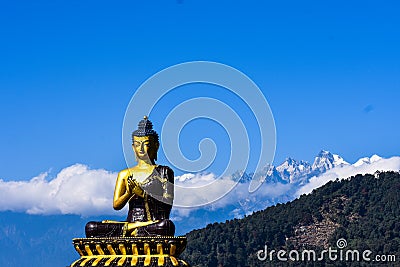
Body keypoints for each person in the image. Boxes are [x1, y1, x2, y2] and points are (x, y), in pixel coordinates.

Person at [85, 116, 175, 237]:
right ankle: (133, 228)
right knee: (91, 227)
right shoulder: (125, 174)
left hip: (153, 224)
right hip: (130, 222)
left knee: (166, 226)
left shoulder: (164, 172)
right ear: (133, 147)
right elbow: (116, 205)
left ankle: (131, 230)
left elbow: (167, 204)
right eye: (137, 144)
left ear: (156, 146)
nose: (141, 149)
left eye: (146, 144)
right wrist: (129, 193)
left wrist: (142, 194)